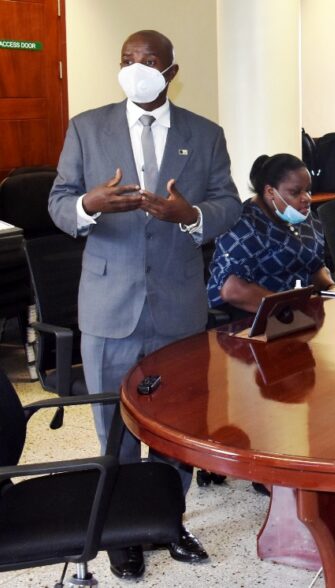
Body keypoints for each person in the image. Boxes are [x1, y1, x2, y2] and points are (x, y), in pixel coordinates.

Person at [48, 29, 242, 578]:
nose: (136, 67)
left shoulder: (206, 134)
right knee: (113, 421)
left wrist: (190, 215)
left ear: (171, 72)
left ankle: (166, 519)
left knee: (177, 422)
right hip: (109, 303)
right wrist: (89, 203)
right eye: (127, 59)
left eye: (148, 60)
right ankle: (119, 530)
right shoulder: (87, 127)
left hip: (178, 305)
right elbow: (59, 204)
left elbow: (228, 204)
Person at [207, 154, 335, 314]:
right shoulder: (243, 226)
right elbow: (233, 291)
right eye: (296, 192)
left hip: (300, 316)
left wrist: (332, 288)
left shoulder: (304, 218)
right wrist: (290, 307)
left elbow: (314, 265)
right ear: (270, 192)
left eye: (308, 190)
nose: (307, 198)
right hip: (249, 321)